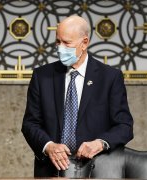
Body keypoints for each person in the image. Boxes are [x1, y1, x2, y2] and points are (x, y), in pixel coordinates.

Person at [21, 15, 134, 177]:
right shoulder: (42, 76)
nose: (60, 48)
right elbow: (30, 124)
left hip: (98, 169)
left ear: (84, 42)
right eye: (58, 42)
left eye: (67, 43)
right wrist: (48, 146)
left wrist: (100, 143)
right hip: (51, 170)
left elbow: (125, 126)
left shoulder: (110, 77)